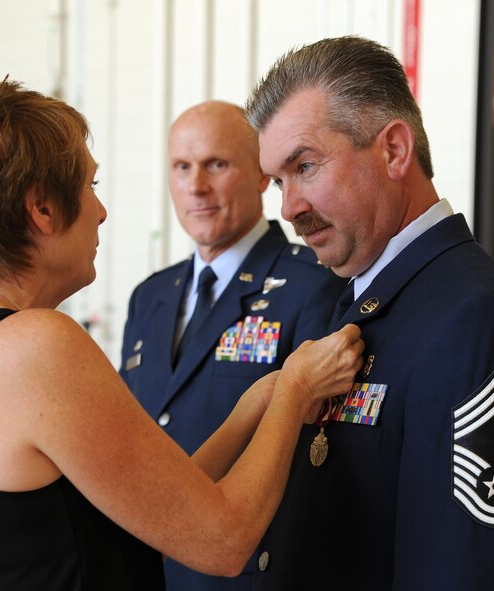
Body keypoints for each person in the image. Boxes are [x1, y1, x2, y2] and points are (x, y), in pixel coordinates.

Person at [0, 68, 363, 590]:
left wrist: (251, 410)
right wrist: (296, 388)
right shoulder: (36, 344)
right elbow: (223, 540)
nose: (103, 212)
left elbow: (145, 498)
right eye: (90, 185)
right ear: (41, 208)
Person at [245, 36, 494, 590]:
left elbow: (469, 571)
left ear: (395, 151)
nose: (289, 207)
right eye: (279, 180)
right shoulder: (359, 299)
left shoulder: (477, 322)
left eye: (306, 166)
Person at [120, 100, 346, 591]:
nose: (196, 186)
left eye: (216, 165)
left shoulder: (312, 284)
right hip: (151, 569)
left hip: (249, 573)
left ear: (263, 175)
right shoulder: (149, 297)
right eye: (182, 167)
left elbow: (317, 455)